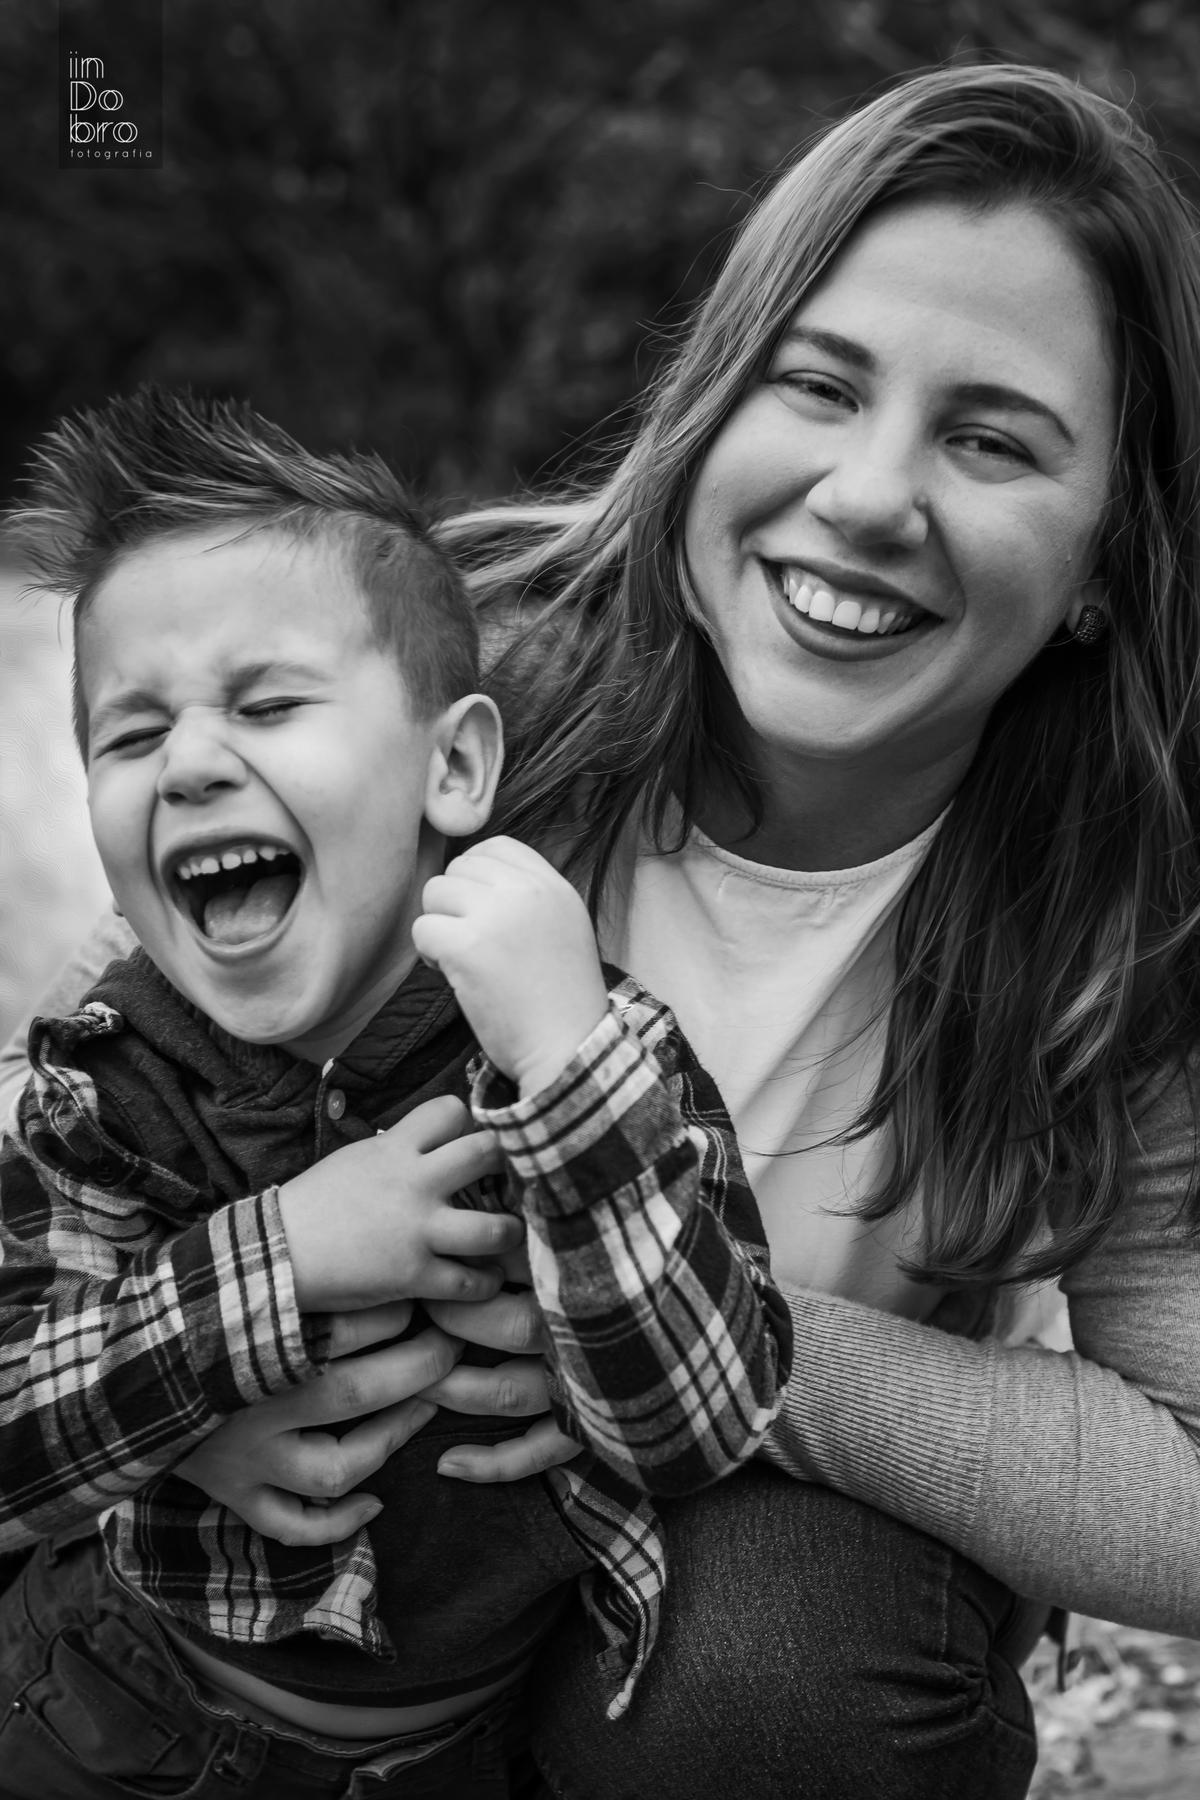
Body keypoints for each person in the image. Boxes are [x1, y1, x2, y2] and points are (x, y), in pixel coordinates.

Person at [7, 59, 1200, 1800]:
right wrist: (190, 1383)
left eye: (991, 436)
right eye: (820, 384)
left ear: (1104, 550)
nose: (869, 496)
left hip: (687, 1624)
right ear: (716, 406)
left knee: (790, 1661)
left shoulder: (1116, 924)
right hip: (254, 1656)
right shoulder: (446, 697)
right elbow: (102, 1072)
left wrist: (683, 1318)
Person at [0, 392, 790, 1797]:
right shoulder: (91, 1092)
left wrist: (564, 1079)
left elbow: (703, 1419)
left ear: (455, 766)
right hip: (119, 1718)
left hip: (468, 1748)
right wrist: (281, 1260)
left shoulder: (585, 1047)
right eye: (130, 737)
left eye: (266, 704)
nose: (187, 765)